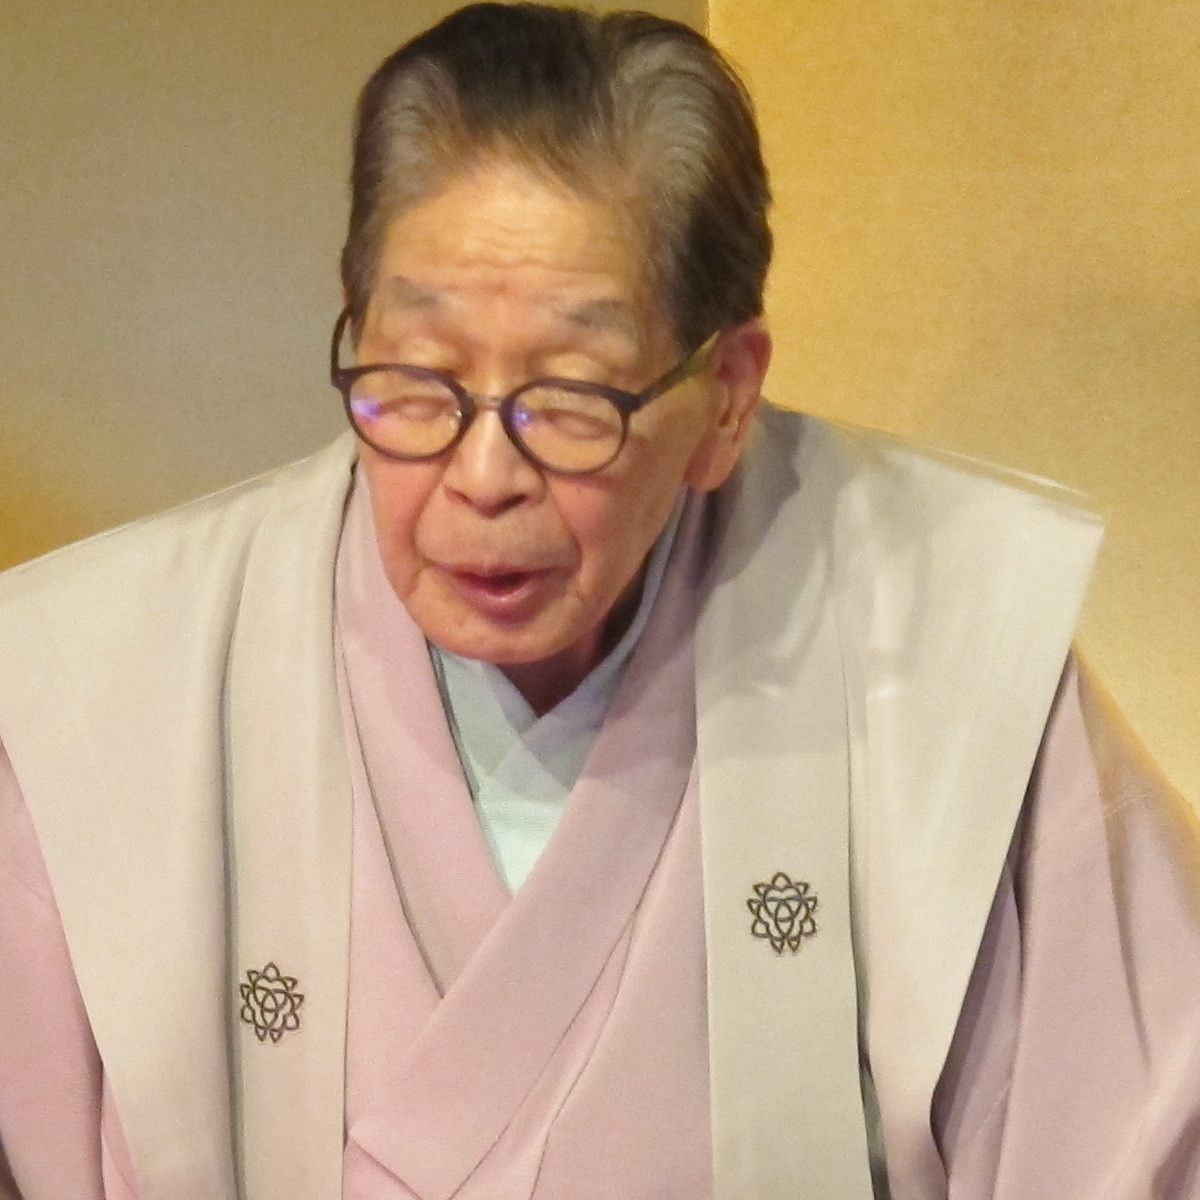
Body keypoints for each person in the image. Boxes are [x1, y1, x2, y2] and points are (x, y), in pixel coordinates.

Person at [1, 4, 1198, 1198]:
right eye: (416, 378)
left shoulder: (952, 654)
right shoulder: (97, 691)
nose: (483, 476)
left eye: (572, 398)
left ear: (726, 396)